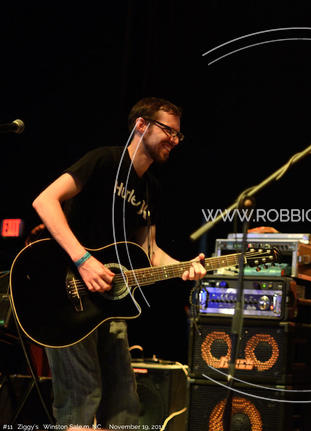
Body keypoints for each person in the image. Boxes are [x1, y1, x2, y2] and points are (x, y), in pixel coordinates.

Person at [32, 97, 206, 427]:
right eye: (168, 130)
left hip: (108, 303)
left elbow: (149, 252)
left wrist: (184, 267)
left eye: (178, 134)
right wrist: (83, 259)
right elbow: (45, 201)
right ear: (141, 125)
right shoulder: (104, 160)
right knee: (82, 396)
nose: (174, 140)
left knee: (124, 403)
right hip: (64, 293)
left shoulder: (150, 188)